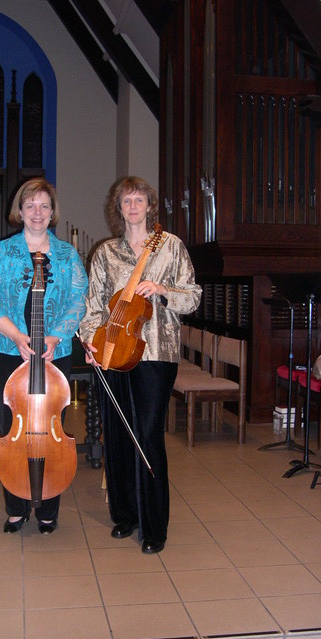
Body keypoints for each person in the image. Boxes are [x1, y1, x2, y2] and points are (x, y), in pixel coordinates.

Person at [79, 176, 202, 553]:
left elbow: (193, 296)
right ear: (118, 209)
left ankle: (153, 527)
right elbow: (93, 305)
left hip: (156, 353)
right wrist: (89, 340)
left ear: (150, 206)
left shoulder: (171, 247)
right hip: (113, 351)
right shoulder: (105, 253)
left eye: (139, 199)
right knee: (117, 436)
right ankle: (125, 516)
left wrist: (164, 291)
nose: (133, 205)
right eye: (126, 200)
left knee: (147, 436)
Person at [0, 177, 88, 534]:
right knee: (12, 427)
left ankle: (48, 507)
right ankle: (15, 505)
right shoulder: (3, 252)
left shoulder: (68, 255)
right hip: (9, 351)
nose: (37, 213)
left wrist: (56, 336)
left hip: (55, 351)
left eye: (44, 206)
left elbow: (78, 300)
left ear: (52, 212)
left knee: (51, 425)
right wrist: (17, 336)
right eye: (30, 206)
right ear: (19, 211)